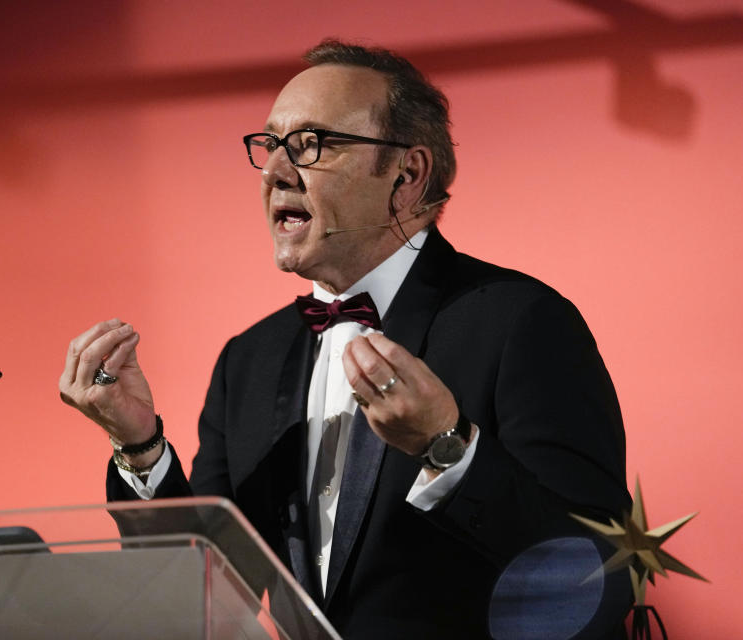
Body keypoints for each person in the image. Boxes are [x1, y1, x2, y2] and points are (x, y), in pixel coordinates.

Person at [59, 40, 631, 638]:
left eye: (311, 144)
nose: (277, 171)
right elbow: (202, 592)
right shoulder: (248, 361)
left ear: (406, 175)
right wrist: (139, 446)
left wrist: (450, 450)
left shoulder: (521, 323)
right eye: (270, 145)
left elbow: (595, 573)